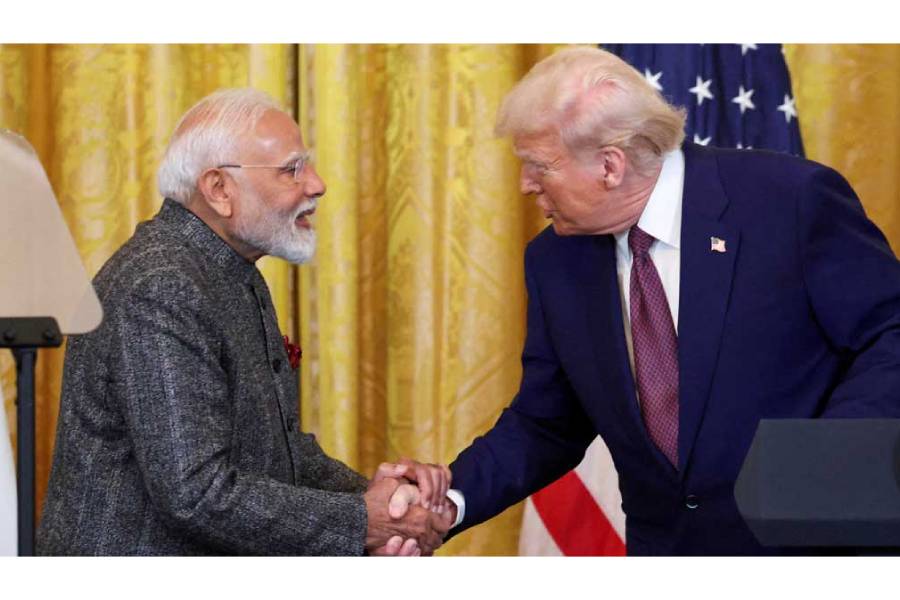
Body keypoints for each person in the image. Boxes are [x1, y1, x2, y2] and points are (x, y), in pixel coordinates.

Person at [420, 47, 900, 555]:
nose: (524, 185)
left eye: (539, 166)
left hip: (812, 551)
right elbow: (546, 420)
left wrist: (824, 460)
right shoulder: (555, 259)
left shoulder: (790, 201)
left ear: (610, 165)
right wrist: (450, 501)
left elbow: (889, 334)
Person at [37, 88, 451, 556]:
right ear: (218, 190)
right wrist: (363, 521)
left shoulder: (227, 270)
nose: (317, 184)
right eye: (292, 169)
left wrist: (384, 503)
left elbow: (277, 452)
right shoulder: (161, 285)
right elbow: (196, 493)